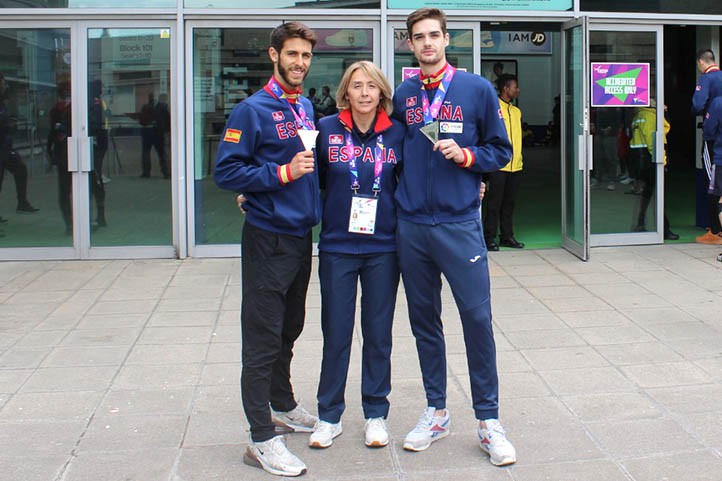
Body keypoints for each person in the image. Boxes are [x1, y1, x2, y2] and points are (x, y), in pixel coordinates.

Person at [392, 7, 516, 466]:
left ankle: (488, 420)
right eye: (418, 37)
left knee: (477, 320)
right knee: (425, 322)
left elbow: (500, 150)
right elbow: (388, 154)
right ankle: (436, 411)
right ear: (409, 44)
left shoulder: (476, 89)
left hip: (460, 224)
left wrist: (466, 157)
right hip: (412, 227)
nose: (426, 44)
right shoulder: (403, 94)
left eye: (433, 36)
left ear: (447, 40)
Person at [214, 22, 320, 478]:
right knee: (261, 337)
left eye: (306, 56)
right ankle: (260, 438)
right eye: (292, 54)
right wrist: (278, 175)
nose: (300, 63)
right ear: (274, 54)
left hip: (300, 239)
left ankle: (282, 404)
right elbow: (226, 172)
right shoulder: (251, 110)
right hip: (267, 239)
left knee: (289, 328)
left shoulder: (307, 107)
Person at [308, 61, 404, 450]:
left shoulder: (398, 133)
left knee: (379, 335)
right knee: (336, 334)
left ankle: (376, 414)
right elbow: (307, 182)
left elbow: (422, 177)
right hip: (337, 248)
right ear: (344, 92)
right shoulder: (325, 130)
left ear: (382, 93)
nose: (364, 93)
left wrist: (475, 190)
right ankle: (328, 415)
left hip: (384, 248)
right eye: (356, 86)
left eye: (371, 86)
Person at [484, 74, 525, 251]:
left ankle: (507, 237)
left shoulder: (517, 111)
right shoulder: (494, 110)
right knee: (494, 204)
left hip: (516, 166)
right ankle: (488, 238)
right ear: (505, 89)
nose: (518, 90)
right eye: (515, 87)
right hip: (498, 166)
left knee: (509, 204)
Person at [629, 101, 678, 240]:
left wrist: (664, 113)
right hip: (651, 161)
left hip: (641, 161)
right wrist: (662, 161)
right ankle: (663, 230)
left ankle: (640, 224)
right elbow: (654, 141)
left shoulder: (639, 115)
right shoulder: (650, 116)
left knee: (645, 196)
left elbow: (665, 128)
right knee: (657, 196)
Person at [692, 48, 722, 245]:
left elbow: (697, 105)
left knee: (713, 183)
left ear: (700, 62)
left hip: (714, 139)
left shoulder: (706, 79)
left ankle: (715, 230)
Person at [0, 72, 39, 223]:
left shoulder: (3, 102)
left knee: (20, 169)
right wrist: (7, 126)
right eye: (3, 84)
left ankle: (22, 202)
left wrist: (10, 126)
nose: (5, 87)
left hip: (5, 147)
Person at [47, 81, 72, 235]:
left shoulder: (68, 108)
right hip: (64, 154)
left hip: (67, 153)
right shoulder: (56, 110)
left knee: (67, 191)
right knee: (65, 191)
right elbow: (52, 133)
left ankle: (72, 224)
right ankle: (70, 224)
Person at [702, 95, 722, 259]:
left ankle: (716, 232)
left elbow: (709, 130)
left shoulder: (718, 102)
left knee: (720, 199)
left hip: (721, 159)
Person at [88, 79, 107, 226]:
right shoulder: (97, 102)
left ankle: (100, 215)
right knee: (95, 178)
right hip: (98, 143)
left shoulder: (94, 102)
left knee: (94, 179)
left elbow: (96, 123)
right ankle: (100, 215)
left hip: (96, 144)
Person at [139, 92, 169, 179]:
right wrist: (166, 130)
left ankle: (146, 172)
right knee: (161, 153)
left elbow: (141, 120)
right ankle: (165, 172)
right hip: (157, 133)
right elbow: (167, 119)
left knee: (146, 152)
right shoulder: (161, 107)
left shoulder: (145, 107)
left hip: (147, 132)